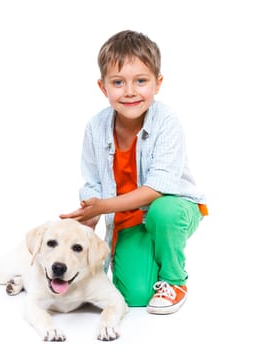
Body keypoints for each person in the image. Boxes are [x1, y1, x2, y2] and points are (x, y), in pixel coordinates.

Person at [60, 30, 207, 314]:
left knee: (163, 212)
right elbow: (92, 181)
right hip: (129, 218)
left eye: (141, 81)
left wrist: (103, 206)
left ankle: (174, 279)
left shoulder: (167, 121)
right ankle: (147, 255)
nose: (129, 91)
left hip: (175, 208)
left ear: (158, 83)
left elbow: (157, 189)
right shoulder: (96, 127)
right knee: (135, 297)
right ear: (103, 87)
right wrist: (89, 215)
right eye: (118, 82)